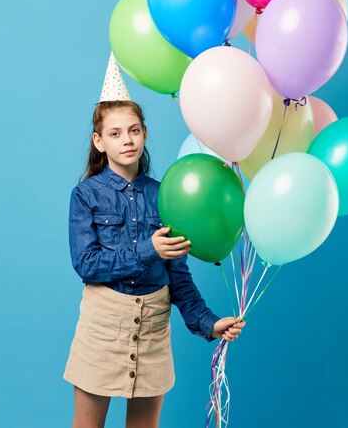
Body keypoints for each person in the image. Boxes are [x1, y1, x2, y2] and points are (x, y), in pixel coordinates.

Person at [63, 56, 245, 428]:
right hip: (102, 327)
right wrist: (149, 249)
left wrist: (209, 323)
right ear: (99, 141)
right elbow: (87, 264)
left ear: (144, 132)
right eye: (114, 133)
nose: (126, 140)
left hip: (153, 332)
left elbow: (178, 278)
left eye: (133, 130)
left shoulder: (167, 197)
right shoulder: (85, 196)